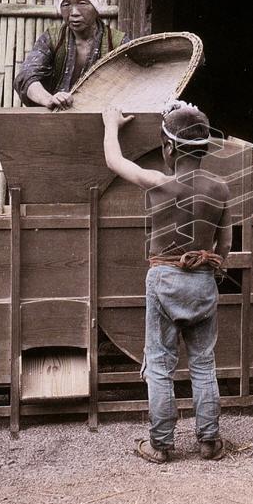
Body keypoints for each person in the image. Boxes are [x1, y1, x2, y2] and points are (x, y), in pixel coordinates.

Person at [102, 100, 231, 463]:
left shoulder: (160, 182)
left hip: (164, 280)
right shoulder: (220, 189)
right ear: (205, 147)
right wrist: (208, 266)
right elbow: (227, 245)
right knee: (204, 364)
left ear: (169, 148)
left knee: (160, 365)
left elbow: (115, 162)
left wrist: (111, 124)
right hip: (204, 280)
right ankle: (209, 441)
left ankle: (161, 445)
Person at [15, 0, 127, 109]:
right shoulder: (53, 38)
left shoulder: (117, 42)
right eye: (66, 4)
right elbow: (26, 76)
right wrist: (49, 99)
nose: (74, 12)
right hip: (56, 118)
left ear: (96, 6)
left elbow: (134, 85)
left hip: (101, 119)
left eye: (82, 3)